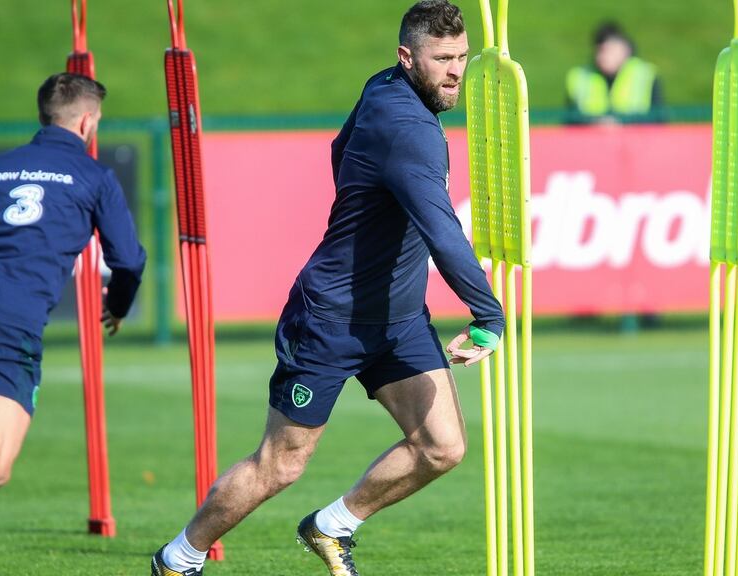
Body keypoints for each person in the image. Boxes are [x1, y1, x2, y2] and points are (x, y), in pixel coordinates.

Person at [149, 1, 503, 575]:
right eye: (442, 59)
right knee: (280, 465)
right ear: (406, 56)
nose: (456, 71)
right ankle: (179, 558)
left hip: (400, 317)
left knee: (442, 447)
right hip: (331, 318)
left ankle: (332, 526)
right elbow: (444, 231)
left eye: (462, 57)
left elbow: (339, 151)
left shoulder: (384, 87)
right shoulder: (409, 130)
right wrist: (488, 315)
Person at [0, 73, 146, 573]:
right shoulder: (94, 177)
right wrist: (120, 307)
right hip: (9, 322)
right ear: (87, 121)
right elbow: (128, 261)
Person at [565, 21, 663, 122]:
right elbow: (569, 119)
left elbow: (658, 119)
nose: (604, 56)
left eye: (609, 50)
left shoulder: (645, 74)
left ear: (625, 49)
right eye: (600, 50)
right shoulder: (579, 77)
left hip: (637, 136)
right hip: (591, 136)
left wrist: (621, 123)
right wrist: (596, 122)